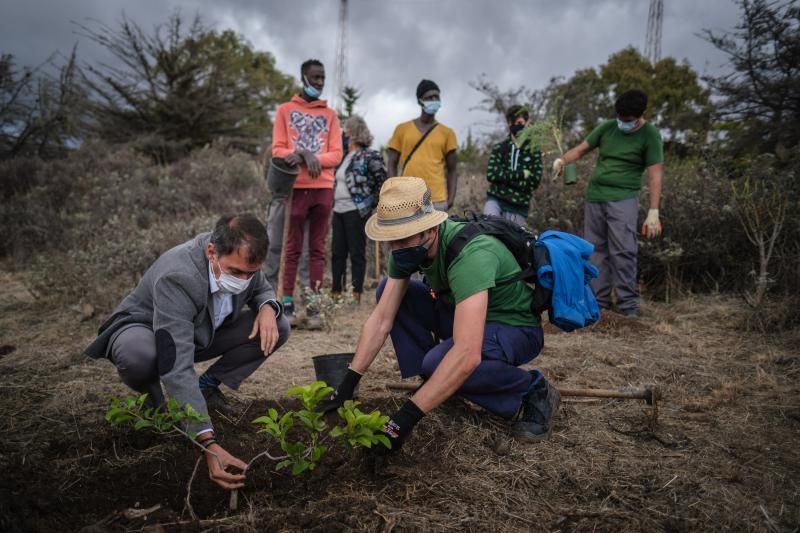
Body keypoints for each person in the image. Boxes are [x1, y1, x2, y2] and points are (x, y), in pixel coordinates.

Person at [317, 177, 560, 452]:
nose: (396, 249)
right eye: (391, 241)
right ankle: (437, 384)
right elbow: (382, 319)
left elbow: (467, 354)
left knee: (441, 364)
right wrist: (348, 382)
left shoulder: (471, 255)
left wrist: (405, 419)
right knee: (390, 290)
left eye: (404, 238)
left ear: (430, 229)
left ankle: (532, 390)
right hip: (463, 315)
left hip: (514, 326)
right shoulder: (406, 248)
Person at [84, 214, 290, 490]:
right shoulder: (179, 276)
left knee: (278, 325)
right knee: (141, 358)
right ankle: (156, 406)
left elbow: (260, 286)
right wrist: (207, 442)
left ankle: (206, 387)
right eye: (235, 273)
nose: (243, 280)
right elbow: (176, 360)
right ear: (211, 252)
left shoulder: (242, 260)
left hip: (200, 331)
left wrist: (267, 307)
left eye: (249, 273)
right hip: (144, 329)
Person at [552, 89, 663, 318]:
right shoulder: (607, 127)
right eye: (620, 117)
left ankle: (627, 303)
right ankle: (600, 301)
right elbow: (582, 149)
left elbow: (655, 174)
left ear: (640, 115)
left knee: (623, 249)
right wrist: (562, 160)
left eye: (627, 120)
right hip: (596, 197)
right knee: (595, 250)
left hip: (623, 198)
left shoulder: (650, 135)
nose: (622, 122)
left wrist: (654, 210)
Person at [271, 58, 343, 329]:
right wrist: (301, 153)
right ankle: (286, 303)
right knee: (292, 248)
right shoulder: (285, 110)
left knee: (316, 249)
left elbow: (336, 154)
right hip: (296, 188)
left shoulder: (331, 116)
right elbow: (277, 148)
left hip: (323, 187)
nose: (320, 83)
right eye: (315, 78)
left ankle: (313, 306)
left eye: (322, 78)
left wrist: (315, 159)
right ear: (303, 78)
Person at [331, 115, 387, 302]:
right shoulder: (342, 157)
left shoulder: (370, 155)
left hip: (356, 210)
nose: (343, 134)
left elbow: (382, 181)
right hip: (338, 210)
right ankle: (336, 291)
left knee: (356, 251)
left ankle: (356, 292)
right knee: (338, 252)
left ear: (353, 133)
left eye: (346, 131)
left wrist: (373, 202)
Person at [387, 79, 458, 211]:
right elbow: (391, 164)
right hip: (408, 199)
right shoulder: (402, 129)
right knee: (408, 232)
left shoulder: (447, 133)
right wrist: (394, 193)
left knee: (437, 233)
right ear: (420, 100)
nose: (434, 100)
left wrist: (450, 199)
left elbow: (452, 169)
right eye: (429, 97)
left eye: (436, 97)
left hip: (437, 200)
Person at [483, 105, 543, 226]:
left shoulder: (533, 151)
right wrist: (522, 174)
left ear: (527, 123)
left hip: (519, 206)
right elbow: (491, 175)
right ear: (508, 123)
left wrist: (504, 178)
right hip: (496, 200)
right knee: (488, 232)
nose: (517, 125)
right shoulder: (500, 148)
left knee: (510, 241)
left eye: (520, 122)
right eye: (514, 122)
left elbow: (535, 180)